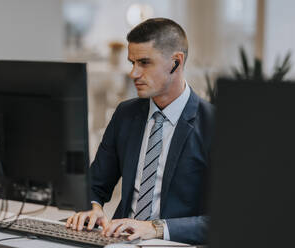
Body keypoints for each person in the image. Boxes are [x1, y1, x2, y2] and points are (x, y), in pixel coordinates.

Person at [66, 17, 214, 245]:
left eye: (144, 63)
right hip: (119, 241)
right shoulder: (126, 114)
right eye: (132, 62)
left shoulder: (213, 124)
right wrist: (93, 208)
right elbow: (95, 184)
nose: (133, 73)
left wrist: (155, 228)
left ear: (176, 62)